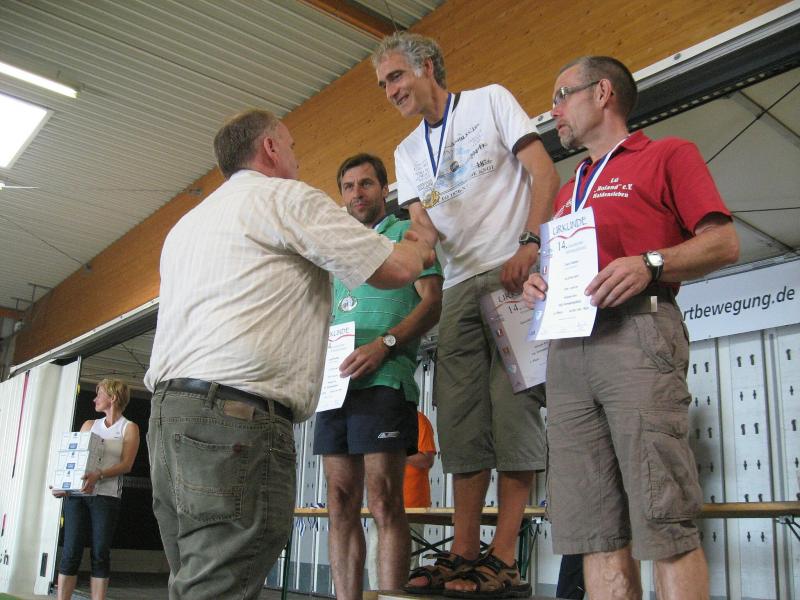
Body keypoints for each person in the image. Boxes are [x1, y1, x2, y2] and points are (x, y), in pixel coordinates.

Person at [143, 111, 435, 600]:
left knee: (193, 578)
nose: (298, 159)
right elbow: (397, 268)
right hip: (234, 419)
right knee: (220, 583)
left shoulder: (186, 226)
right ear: (271, 148)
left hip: (168, 417)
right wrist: (422, 243)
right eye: (293, 146)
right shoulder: (286, 198)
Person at [522, 56, 739, 600]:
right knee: (595, 531)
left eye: (561, 95)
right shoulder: (569, 189)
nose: (553, 112)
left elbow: (723, 242)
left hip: (636, 334)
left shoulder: (668, 154)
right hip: (568, 349)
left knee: (663, 519)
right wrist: (540, 283)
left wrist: (652, 263)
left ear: (602, 93)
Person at [372, 32, 560, 596]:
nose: (391, 91)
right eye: (384, 84)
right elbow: (423, 229)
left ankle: (504, 555)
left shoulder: (489, 100)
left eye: (396, 76)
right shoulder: (407, 152)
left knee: (514, 411)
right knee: (460, 420)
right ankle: (463, 552)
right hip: (456, 288)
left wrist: (531, 242)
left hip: (510, 270)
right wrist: (401, 252)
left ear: (428, 66)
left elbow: (544, 172)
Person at [314, 153, 443, 599]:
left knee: (385, 498)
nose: (357, 193)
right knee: (339, 502)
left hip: (385, 381)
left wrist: (384, 344)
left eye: (366, 183)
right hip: (336, 387)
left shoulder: (406, 235)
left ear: (384, 189)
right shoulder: (337, 249)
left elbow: (432, 303)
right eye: (348, 187)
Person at [53, 378, 141, 600]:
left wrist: (99, 474)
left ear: (113, 398)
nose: (94, 399)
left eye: (99, 394)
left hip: (106, 497)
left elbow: (126, 464)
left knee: (100, 553)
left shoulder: (129, 428)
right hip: (78, 496)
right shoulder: (89, 425)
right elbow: (76, 459)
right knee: (70, 552)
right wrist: (64, 486)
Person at [367, 410, 437, 590]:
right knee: (374, 557)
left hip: (412, 506)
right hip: (382, 505)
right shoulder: (378, 421)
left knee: (406, 560)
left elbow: (426, 459)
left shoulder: (418, 420)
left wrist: (394, 454)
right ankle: (378, 595)